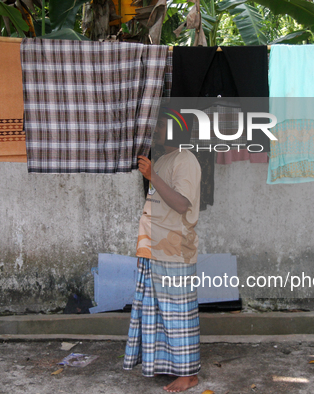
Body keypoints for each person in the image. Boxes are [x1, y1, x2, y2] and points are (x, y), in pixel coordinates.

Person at [123, 113, 202, 392]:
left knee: (179, 314)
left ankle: (189, 375)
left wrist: (151, 175)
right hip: (155, 249)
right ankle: (169, 366)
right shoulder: (167, 159)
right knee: (159, 313)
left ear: (178, 130)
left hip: (174, 251)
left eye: (161, 125)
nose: (155, 130)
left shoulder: (186, 160)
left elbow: (182, 204)